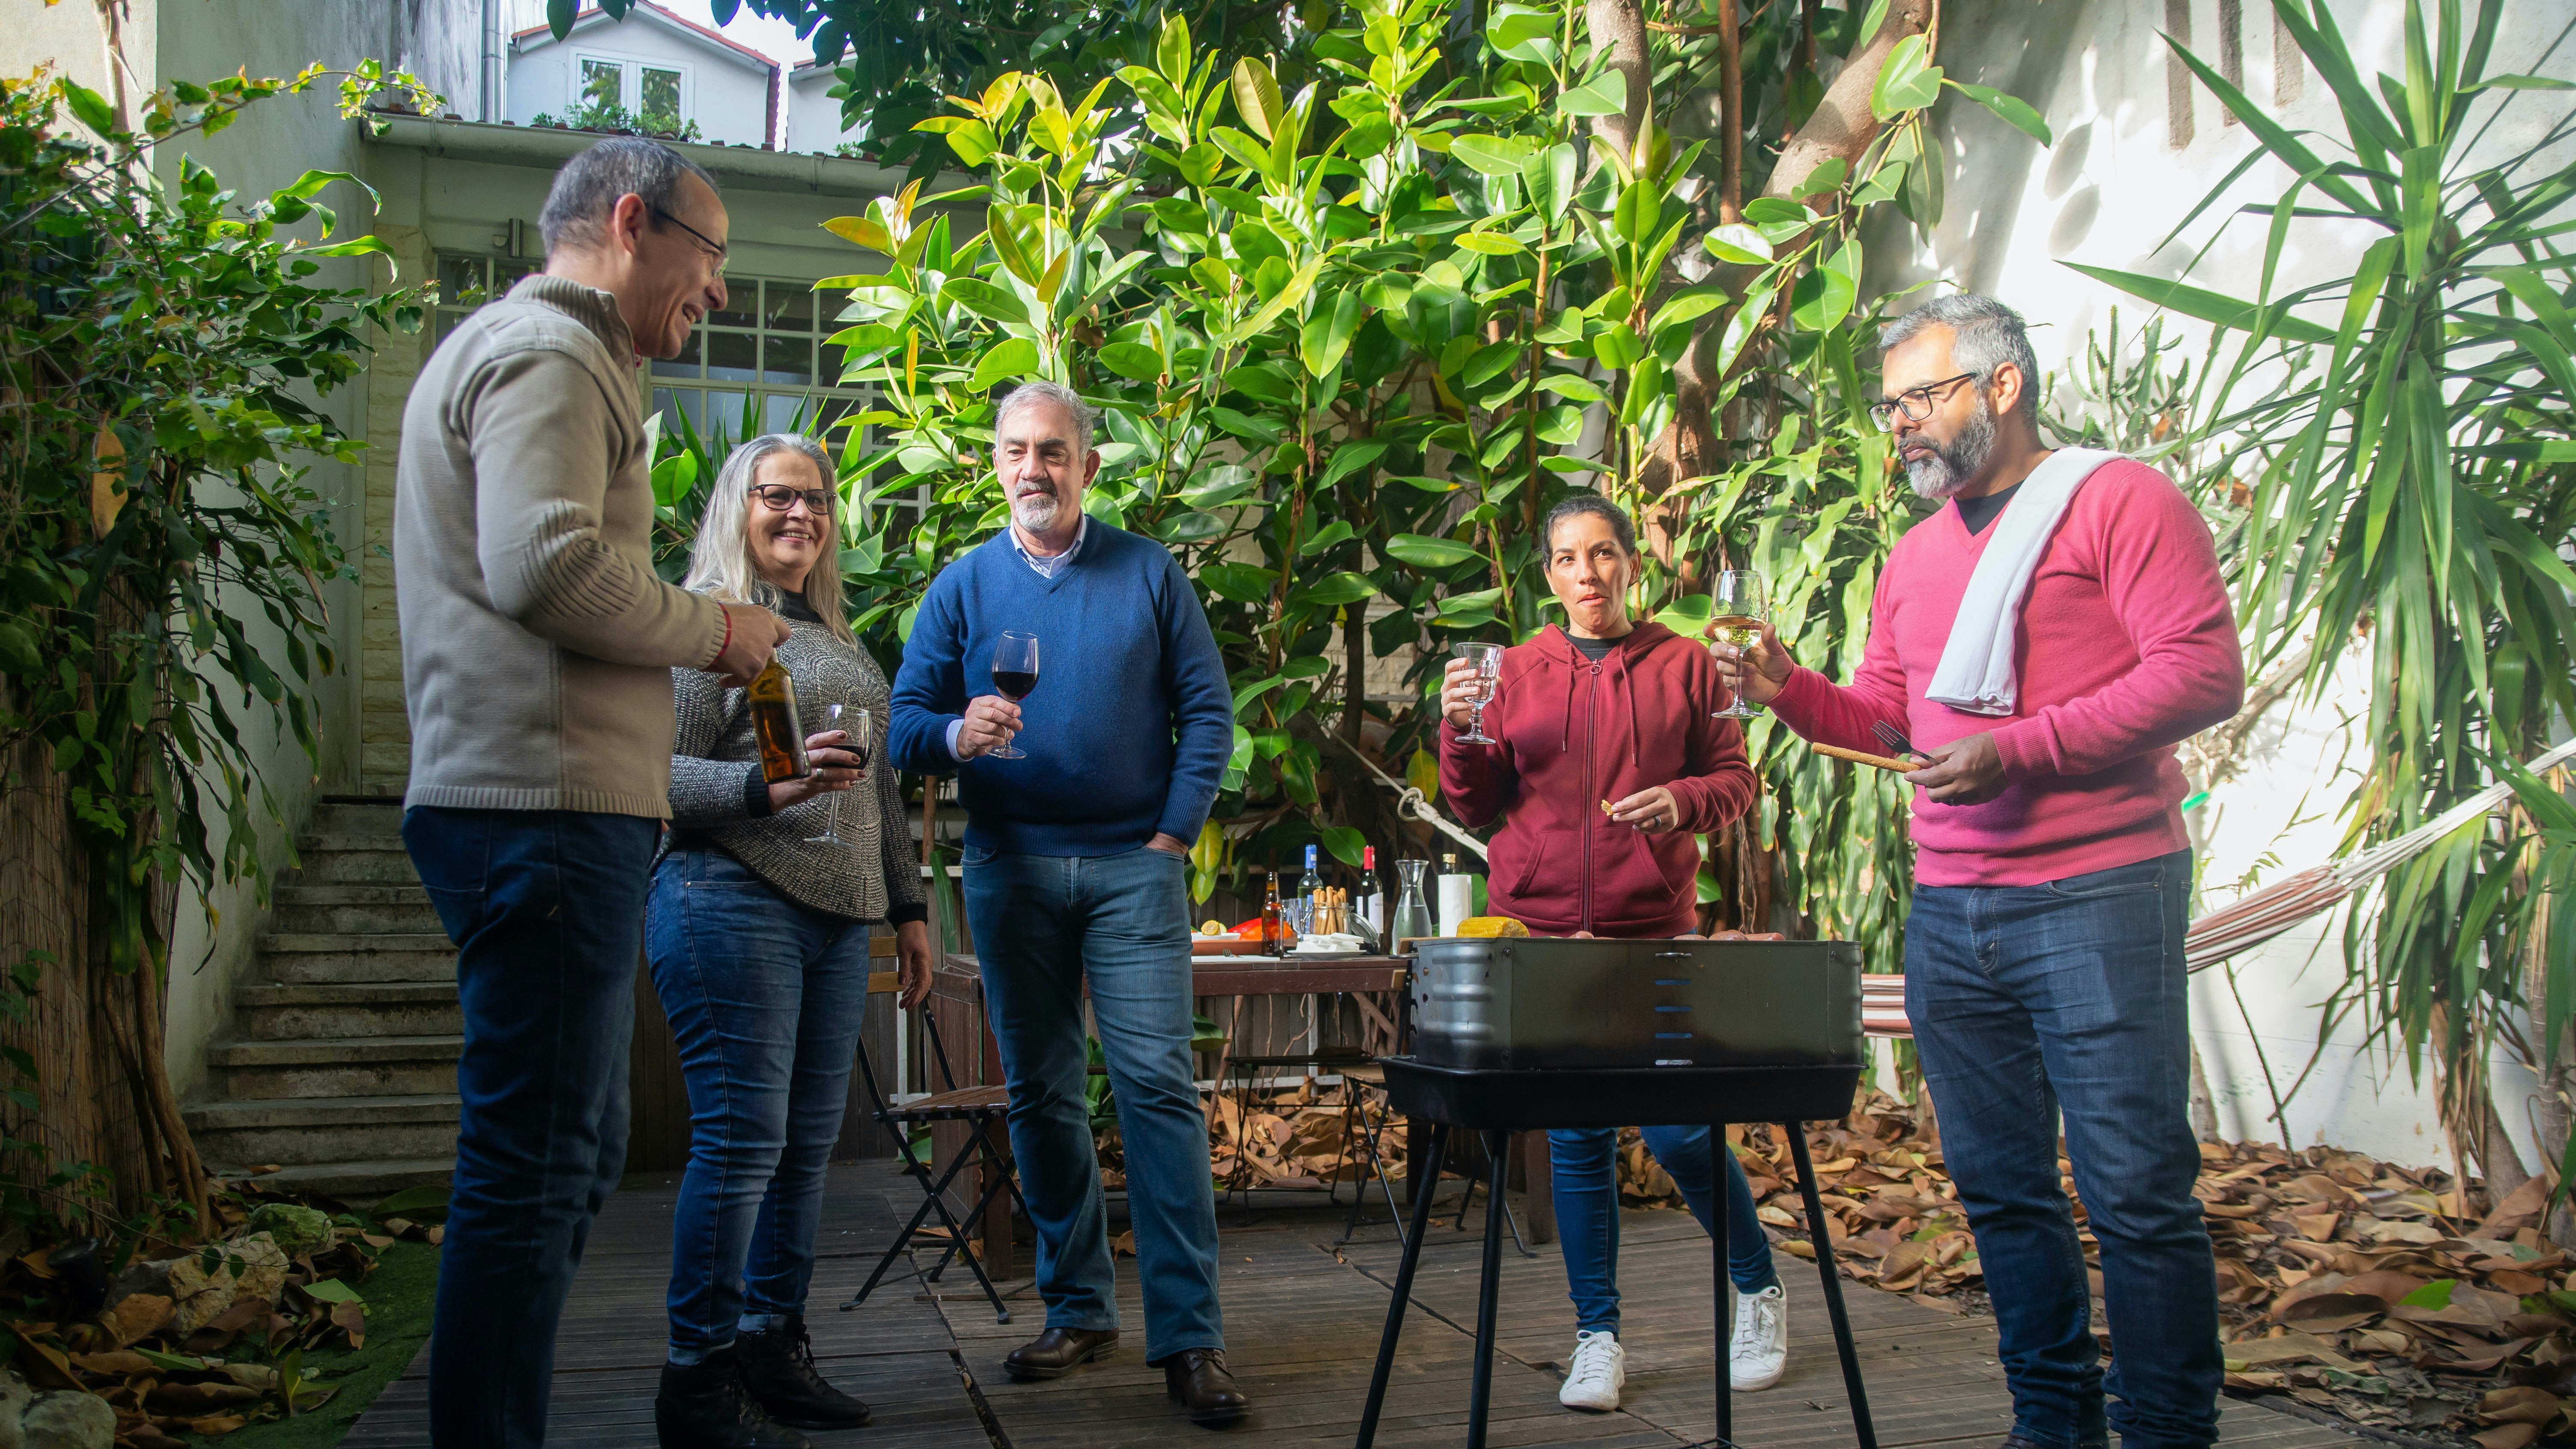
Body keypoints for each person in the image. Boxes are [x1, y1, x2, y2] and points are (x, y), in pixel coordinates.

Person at [1710, 293, 2244, 1449]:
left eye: (1920, 396)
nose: (1898, 423)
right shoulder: (1914, 557)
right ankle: (2051, 1426)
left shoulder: (2119, 502)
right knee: (2002, 1191)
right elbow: (1889, 725)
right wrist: (1785, 688)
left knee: (2136, 1196)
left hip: (2099, 893)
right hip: (1953, 912)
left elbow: (2203, 674)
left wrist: (2023, 748)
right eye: (1888, 404)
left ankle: (2166, 1433)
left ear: (2002, 386)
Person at [394, 137, 789, 1449]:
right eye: (711, 257)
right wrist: (718, 630)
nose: (717, 293)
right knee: (539, 1169)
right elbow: (550, 570)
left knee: (561, 1158)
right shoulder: (557, 354)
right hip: (540, 810)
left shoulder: (530, 351)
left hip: (537, 811)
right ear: (634, 222)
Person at [886, 380, 1245, 1424]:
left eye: (1052, 450)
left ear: (1087, 465)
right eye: (1013, 450)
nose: (1031, 468)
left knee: (1155, 1091)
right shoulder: (961, 588)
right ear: (993, 464)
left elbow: (1208, 713)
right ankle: (1078, 1309)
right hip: (1010, 870)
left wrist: (1171, 834)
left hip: (1133, 869)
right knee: (1043, 1096)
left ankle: (1189, 1338)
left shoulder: (1147, 573)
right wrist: (957, 735)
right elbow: (904, 721)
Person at [1436, 493, 1785, 1414]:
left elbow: (1735, 780)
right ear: (1545, 575)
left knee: (1678, 1131)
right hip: (1543, 937)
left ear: (1632, 563)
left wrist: (1681, 802)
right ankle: (1597, 1337)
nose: (1585, 574)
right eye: (1565, 559)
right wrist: (1455, 728)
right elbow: (1474, 804)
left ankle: (1756, 1288)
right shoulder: (1513, 670)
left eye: (1601, 555)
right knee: (1579, 1137)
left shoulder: (1683, 664)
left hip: (1653, 934)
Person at [646, 435, 936, 1449]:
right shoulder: (707, 629)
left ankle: (772, 1346)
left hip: (831, 919)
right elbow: (646, 776)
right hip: (728, 896)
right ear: (739, 503)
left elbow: (881, 795)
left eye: (815, 500)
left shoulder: (839, 640)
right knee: (742, 1146)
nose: (801, 515)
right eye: (779, 495)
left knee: (803, 1150)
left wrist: (909, 910)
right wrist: (755, 786)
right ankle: (696, 1379)